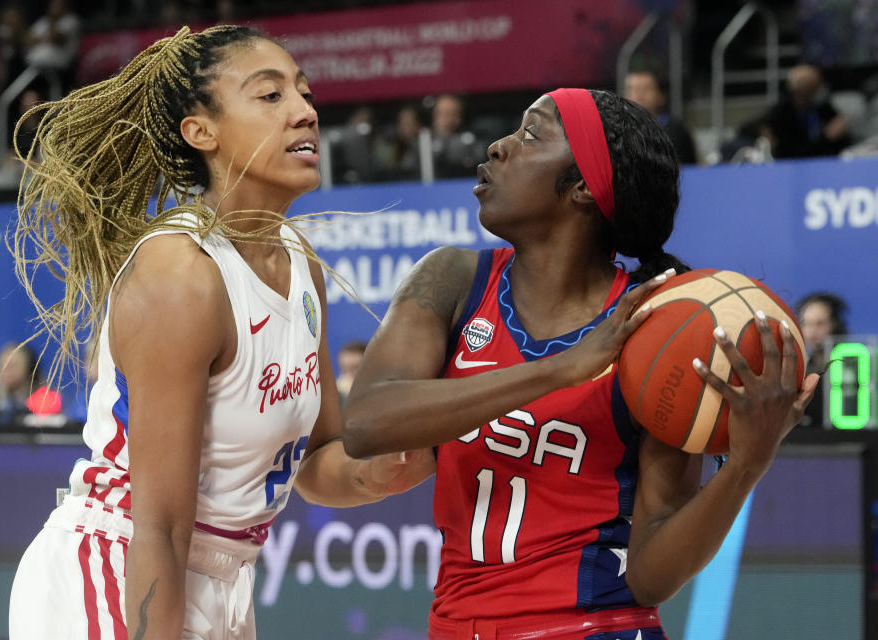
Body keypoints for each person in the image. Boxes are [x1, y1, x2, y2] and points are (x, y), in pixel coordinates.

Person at [343, 88, 819, 639]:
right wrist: (561, 368)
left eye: (530, 134)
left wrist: (744, 468)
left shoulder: (655, 328)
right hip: (457, 626)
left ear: (583, 188)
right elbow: (365, 422)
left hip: (596, 626)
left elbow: (650, 578)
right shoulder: (452, 278)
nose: (497, 147)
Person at [7, 25, 433, 639]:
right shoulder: (182, 273)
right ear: (200, 132)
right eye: (270, 96)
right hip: (122, 569)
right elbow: (162, 525)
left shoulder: (299, 261)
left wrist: (384, 471)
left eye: (305, 94)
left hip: (226, 578)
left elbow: (315, 461)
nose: (304, 112)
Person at [744, 64, 851, 159]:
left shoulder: (823, 107)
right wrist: (825, 137)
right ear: (802, 90)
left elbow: (842, 139)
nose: (820, 90)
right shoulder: (782, 113)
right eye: (815, 86)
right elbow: (794, 153)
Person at [797, 291, 849, 427]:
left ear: (835, 325)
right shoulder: (800, 370)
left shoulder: (854, 367)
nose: (812, 331)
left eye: (820, 324)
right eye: (807, 324)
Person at [624, 68, 697, 164]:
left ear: (661, 96)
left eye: (646, 89)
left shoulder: (675, 130)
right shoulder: (617, 130)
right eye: (633, 89)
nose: (639, 95)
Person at [0, 343, 40, 424]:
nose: (6, 370)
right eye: (2, 365)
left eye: (13, 365)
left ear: (30, 369)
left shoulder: (46, 404)